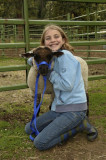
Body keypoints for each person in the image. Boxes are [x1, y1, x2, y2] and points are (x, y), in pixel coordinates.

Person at [25, 24, 98, 151]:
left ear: (63, 39)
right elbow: (33, 56)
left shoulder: (65, 56)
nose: (52, 40)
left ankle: (79, 126)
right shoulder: (52, 55)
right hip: (58, 108)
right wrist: (32, 60)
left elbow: (67, 86)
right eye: (48, 38)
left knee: (40, 143)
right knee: (29, 128)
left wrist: (49, 73)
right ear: (44, 43)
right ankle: (61, 124)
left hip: (74, 110)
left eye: (56, 36)